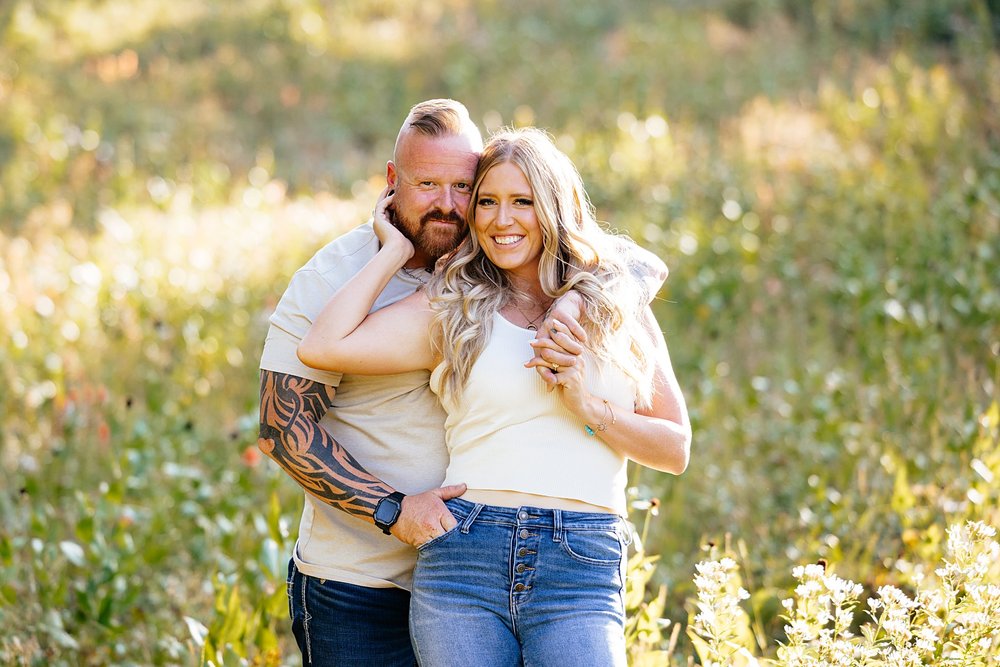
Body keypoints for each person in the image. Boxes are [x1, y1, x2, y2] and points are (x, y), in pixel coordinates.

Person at [258, 100, 664, 665]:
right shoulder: (340, 279)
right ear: (392, 183)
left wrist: (574, 302)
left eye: (463, 186)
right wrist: (393, 510)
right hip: (362, 580)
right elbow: (282, 427)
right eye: (427, 184)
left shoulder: (488, 276)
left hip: (477, 553)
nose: (448, 204)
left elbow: (634, 263)